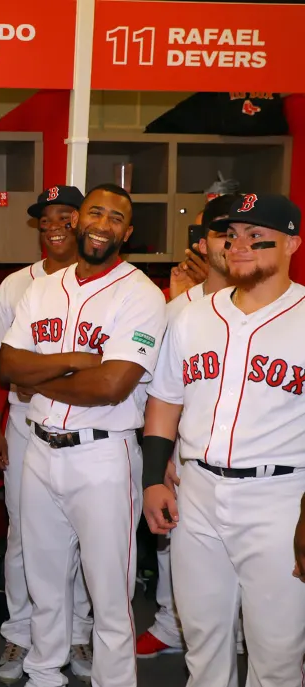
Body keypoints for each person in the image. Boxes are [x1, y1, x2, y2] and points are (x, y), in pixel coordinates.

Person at [0, 184, 167, 687]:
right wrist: (71, 362)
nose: (103, 224)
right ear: (77, 220)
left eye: (117, 218)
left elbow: (112, 384)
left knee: (110, 594)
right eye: (96, 212)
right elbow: (7, 368)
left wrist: (41, 380)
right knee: (44, 584)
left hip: (103, 457)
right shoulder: (41, 289)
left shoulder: (140, 294)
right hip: (39, 451)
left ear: (126, 233)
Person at [144, 193, 305, 687]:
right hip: (199, 492)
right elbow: (165, 401)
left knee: (277, 644)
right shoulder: (194, 316)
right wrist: (154, 479)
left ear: (291, 244)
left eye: (257, 234)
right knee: (204, 628)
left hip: (281, 497)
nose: (240, 244)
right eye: (231, 234)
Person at [0, 186, 94, 684]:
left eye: (66, 215)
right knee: (24, 535)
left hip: (89, 427)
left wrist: (36, 373)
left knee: (84, 538)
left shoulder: (105, 285)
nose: (54, 225)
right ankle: (21, 632)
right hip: (25, 424)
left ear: (84, 222)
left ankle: (77, 632)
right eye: (45, 217)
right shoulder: (16, 285)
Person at [135, 193, 241, 661]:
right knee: (173, 545)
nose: (208, 242)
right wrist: (163, 458)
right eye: (203, 232)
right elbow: (162, 391)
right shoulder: (178, 304)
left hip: (252, 463)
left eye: (222, 231)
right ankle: (169, 623)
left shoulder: (275, 298)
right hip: (184, 450)